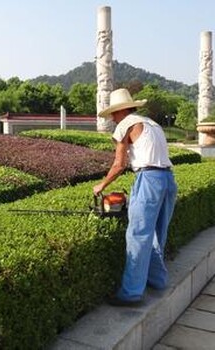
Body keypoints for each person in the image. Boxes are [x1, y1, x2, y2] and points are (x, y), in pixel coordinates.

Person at [93, 88, 177, 306]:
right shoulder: (152, 123)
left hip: (148, 179)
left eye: (113, 113)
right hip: (168, 179)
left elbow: (119, 163)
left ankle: (131, 293)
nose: (111, 118)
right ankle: (157, 280)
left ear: (120, 111)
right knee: (157, 234)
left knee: (137, 235)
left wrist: (102, 184)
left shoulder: (125, 124)